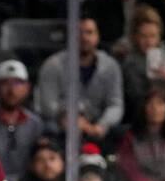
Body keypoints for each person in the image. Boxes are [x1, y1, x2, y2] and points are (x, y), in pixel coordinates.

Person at [35, 18, 124, 146]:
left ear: (97, 37)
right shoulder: (53, 65)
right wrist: (68, 118)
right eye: (78, 32)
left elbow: (116, 104)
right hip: (61, 125)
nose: (84, 37)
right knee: (48, 129)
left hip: (97, 126)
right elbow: (47, 104)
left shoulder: (111, 66)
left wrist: (102, 124)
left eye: (89, 32)